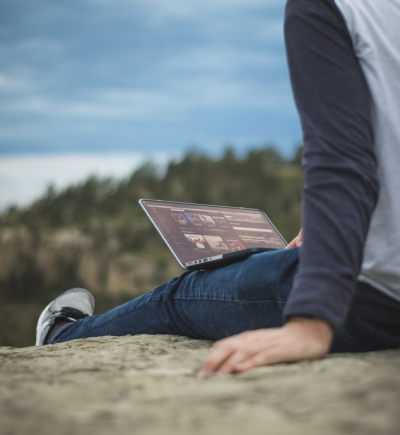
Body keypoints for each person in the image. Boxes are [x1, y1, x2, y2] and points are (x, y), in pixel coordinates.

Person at [36, 0, 400, 377]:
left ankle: (62, 336)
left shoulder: (328, 7)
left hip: (374, 300)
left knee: (184, 294)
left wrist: (312, 319)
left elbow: (343, 161)